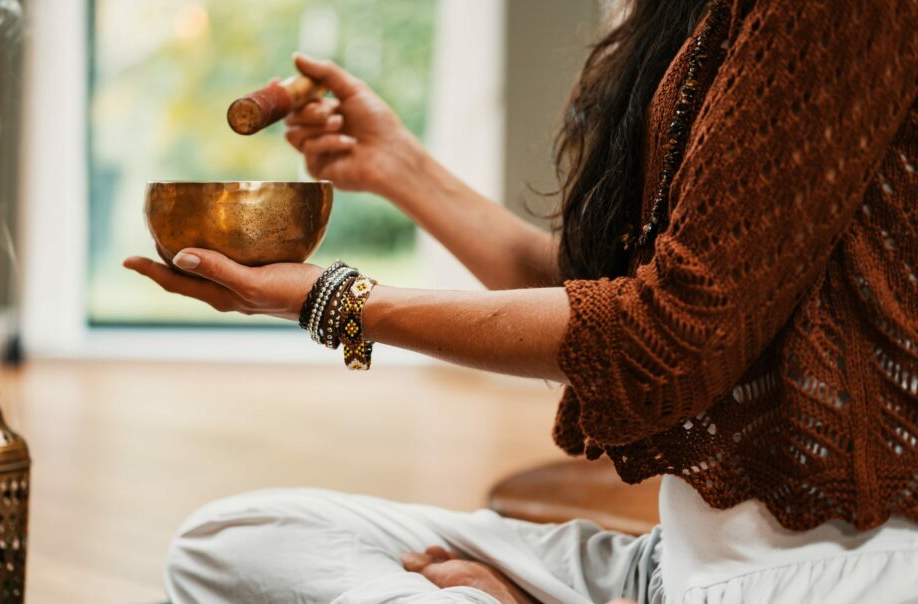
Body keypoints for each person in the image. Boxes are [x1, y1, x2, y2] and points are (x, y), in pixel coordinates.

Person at [123, 0, 918, 602]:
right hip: (670, 570)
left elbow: (667, 333)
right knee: (233, 544)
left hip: (818, 578)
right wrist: (400, 167)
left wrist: (336, 301)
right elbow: (603, 303)